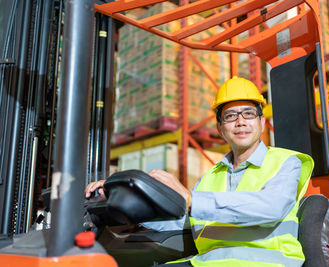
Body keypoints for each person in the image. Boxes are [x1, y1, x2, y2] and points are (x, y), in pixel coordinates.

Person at [85, 76, 314, 266]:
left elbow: (271, 207)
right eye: (230, 116)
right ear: (220, 128)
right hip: (209, 262)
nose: (240, 122)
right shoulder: (211, 176)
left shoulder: (287, 162)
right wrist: (127, 203)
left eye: (248, 113)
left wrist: (192, 199)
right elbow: (182, 222)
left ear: (262, 122)